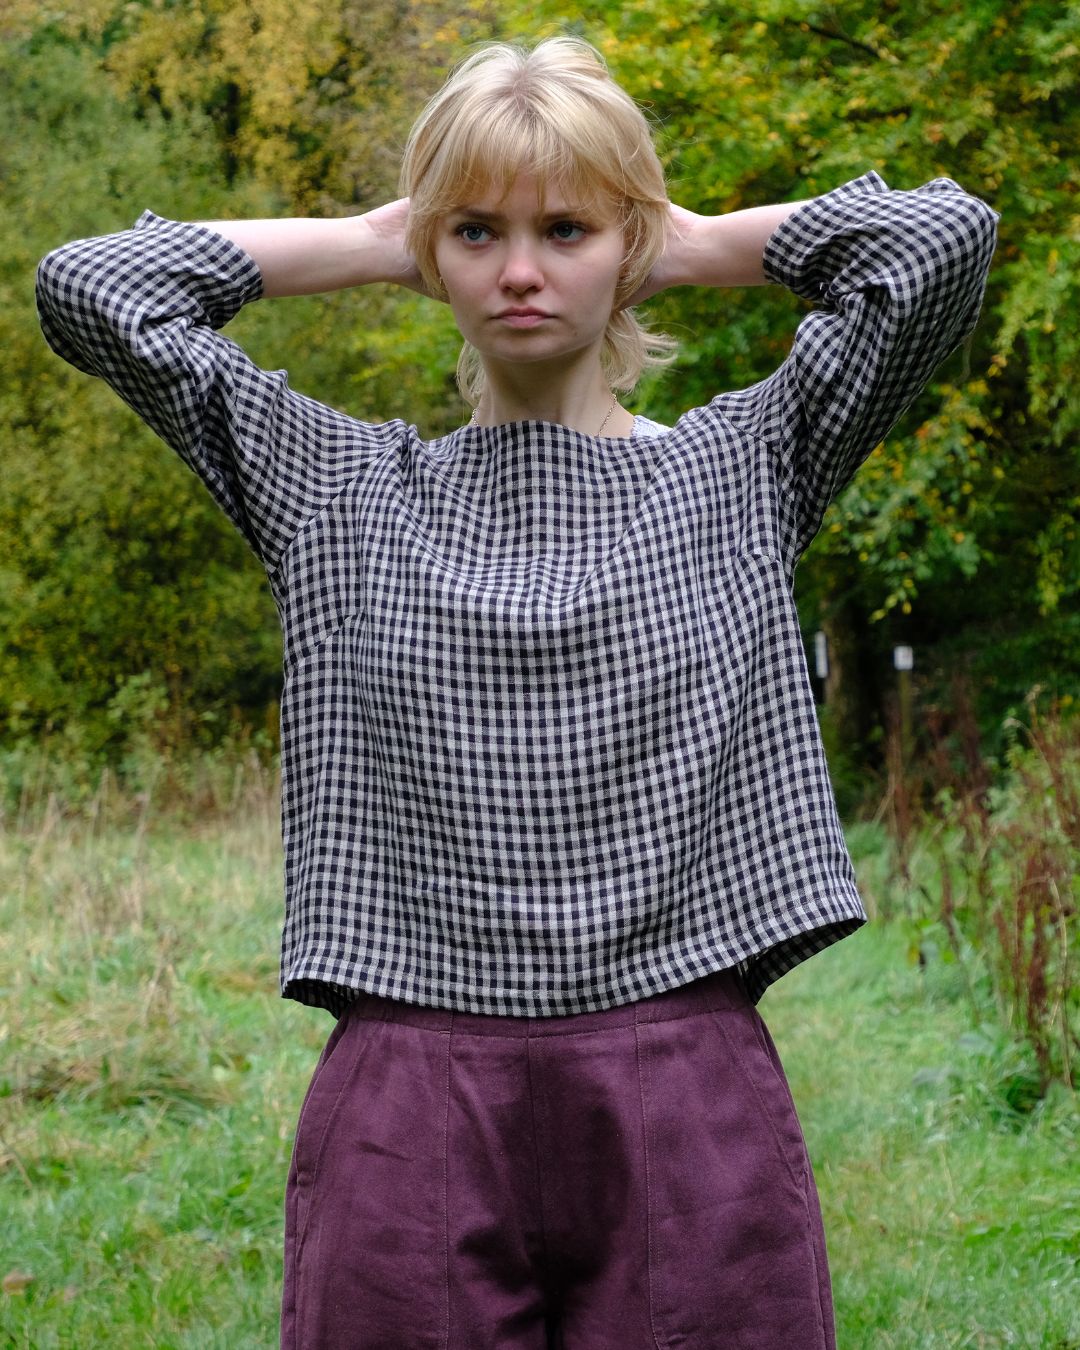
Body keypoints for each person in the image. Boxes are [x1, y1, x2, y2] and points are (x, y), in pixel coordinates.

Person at [36, 35, 998, 1350]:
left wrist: (691, 237)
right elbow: (93, 287)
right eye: (479, 231)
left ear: (629, 243)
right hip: (410, 1101)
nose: (524, 269)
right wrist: (382, 234)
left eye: (569, 228)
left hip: (684, 1087)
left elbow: (937, 243)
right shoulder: (335, 488)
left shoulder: (741, 467)